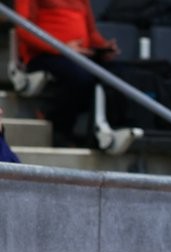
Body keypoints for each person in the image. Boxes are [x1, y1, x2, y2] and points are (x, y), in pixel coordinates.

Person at [15, 0, 120, 146]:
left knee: (118, 74)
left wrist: (103, 46)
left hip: (78, 55)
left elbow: (91, 33)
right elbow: (23, 29)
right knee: (81, 78)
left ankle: (102, 135)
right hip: (45, 54)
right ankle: (57, 126)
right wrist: (61, 47)